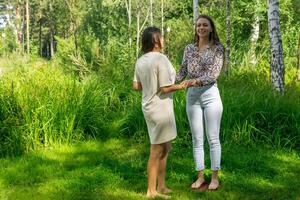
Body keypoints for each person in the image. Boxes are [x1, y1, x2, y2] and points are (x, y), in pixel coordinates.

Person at [133, 27, 188, 199]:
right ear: (156, 40)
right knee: (156, 151)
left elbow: (136, 86)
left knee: (166, 147)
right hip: (160, 109)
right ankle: (151, 191)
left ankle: (162, 186)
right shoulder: (161, 59)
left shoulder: (141, 60)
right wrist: (183, 85)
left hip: (149, 107)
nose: (164, 40)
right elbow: (165, 88)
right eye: (162, 37)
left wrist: (150, 84)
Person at [176, 14, 224, 191]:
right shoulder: (189, 48)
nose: (201, 28)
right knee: (197, 139)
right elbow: (182, 71)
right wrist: (168, 82)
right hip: (192, 97)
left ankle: (215, 178)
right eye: (198, 25)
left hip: (211, 95)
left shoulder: (218, 48)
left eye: (205, 25)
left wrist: (193, 81)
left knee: (213, 138)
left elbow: (214, 74)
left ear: (211, 28)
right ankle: (200, 177)